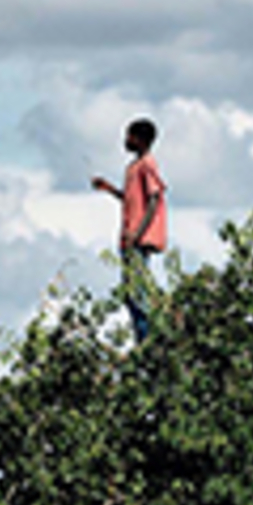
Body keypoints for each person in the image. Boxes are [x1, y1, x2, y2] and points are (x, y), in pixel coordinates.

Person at [91, 118, 167, 343]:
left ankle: (147, 341)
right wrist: (109, 189)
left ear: (140, 139)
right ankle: (142, 339)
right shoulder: (133, 168)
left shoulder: (147, 164)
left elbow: (154, 198)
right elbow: (132, 200)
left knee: (138, 294)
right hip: (129, 238)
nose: (126, 141)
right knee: (130, 294)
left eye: (130, 136)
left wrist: (139, 232)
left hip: (137, 239)